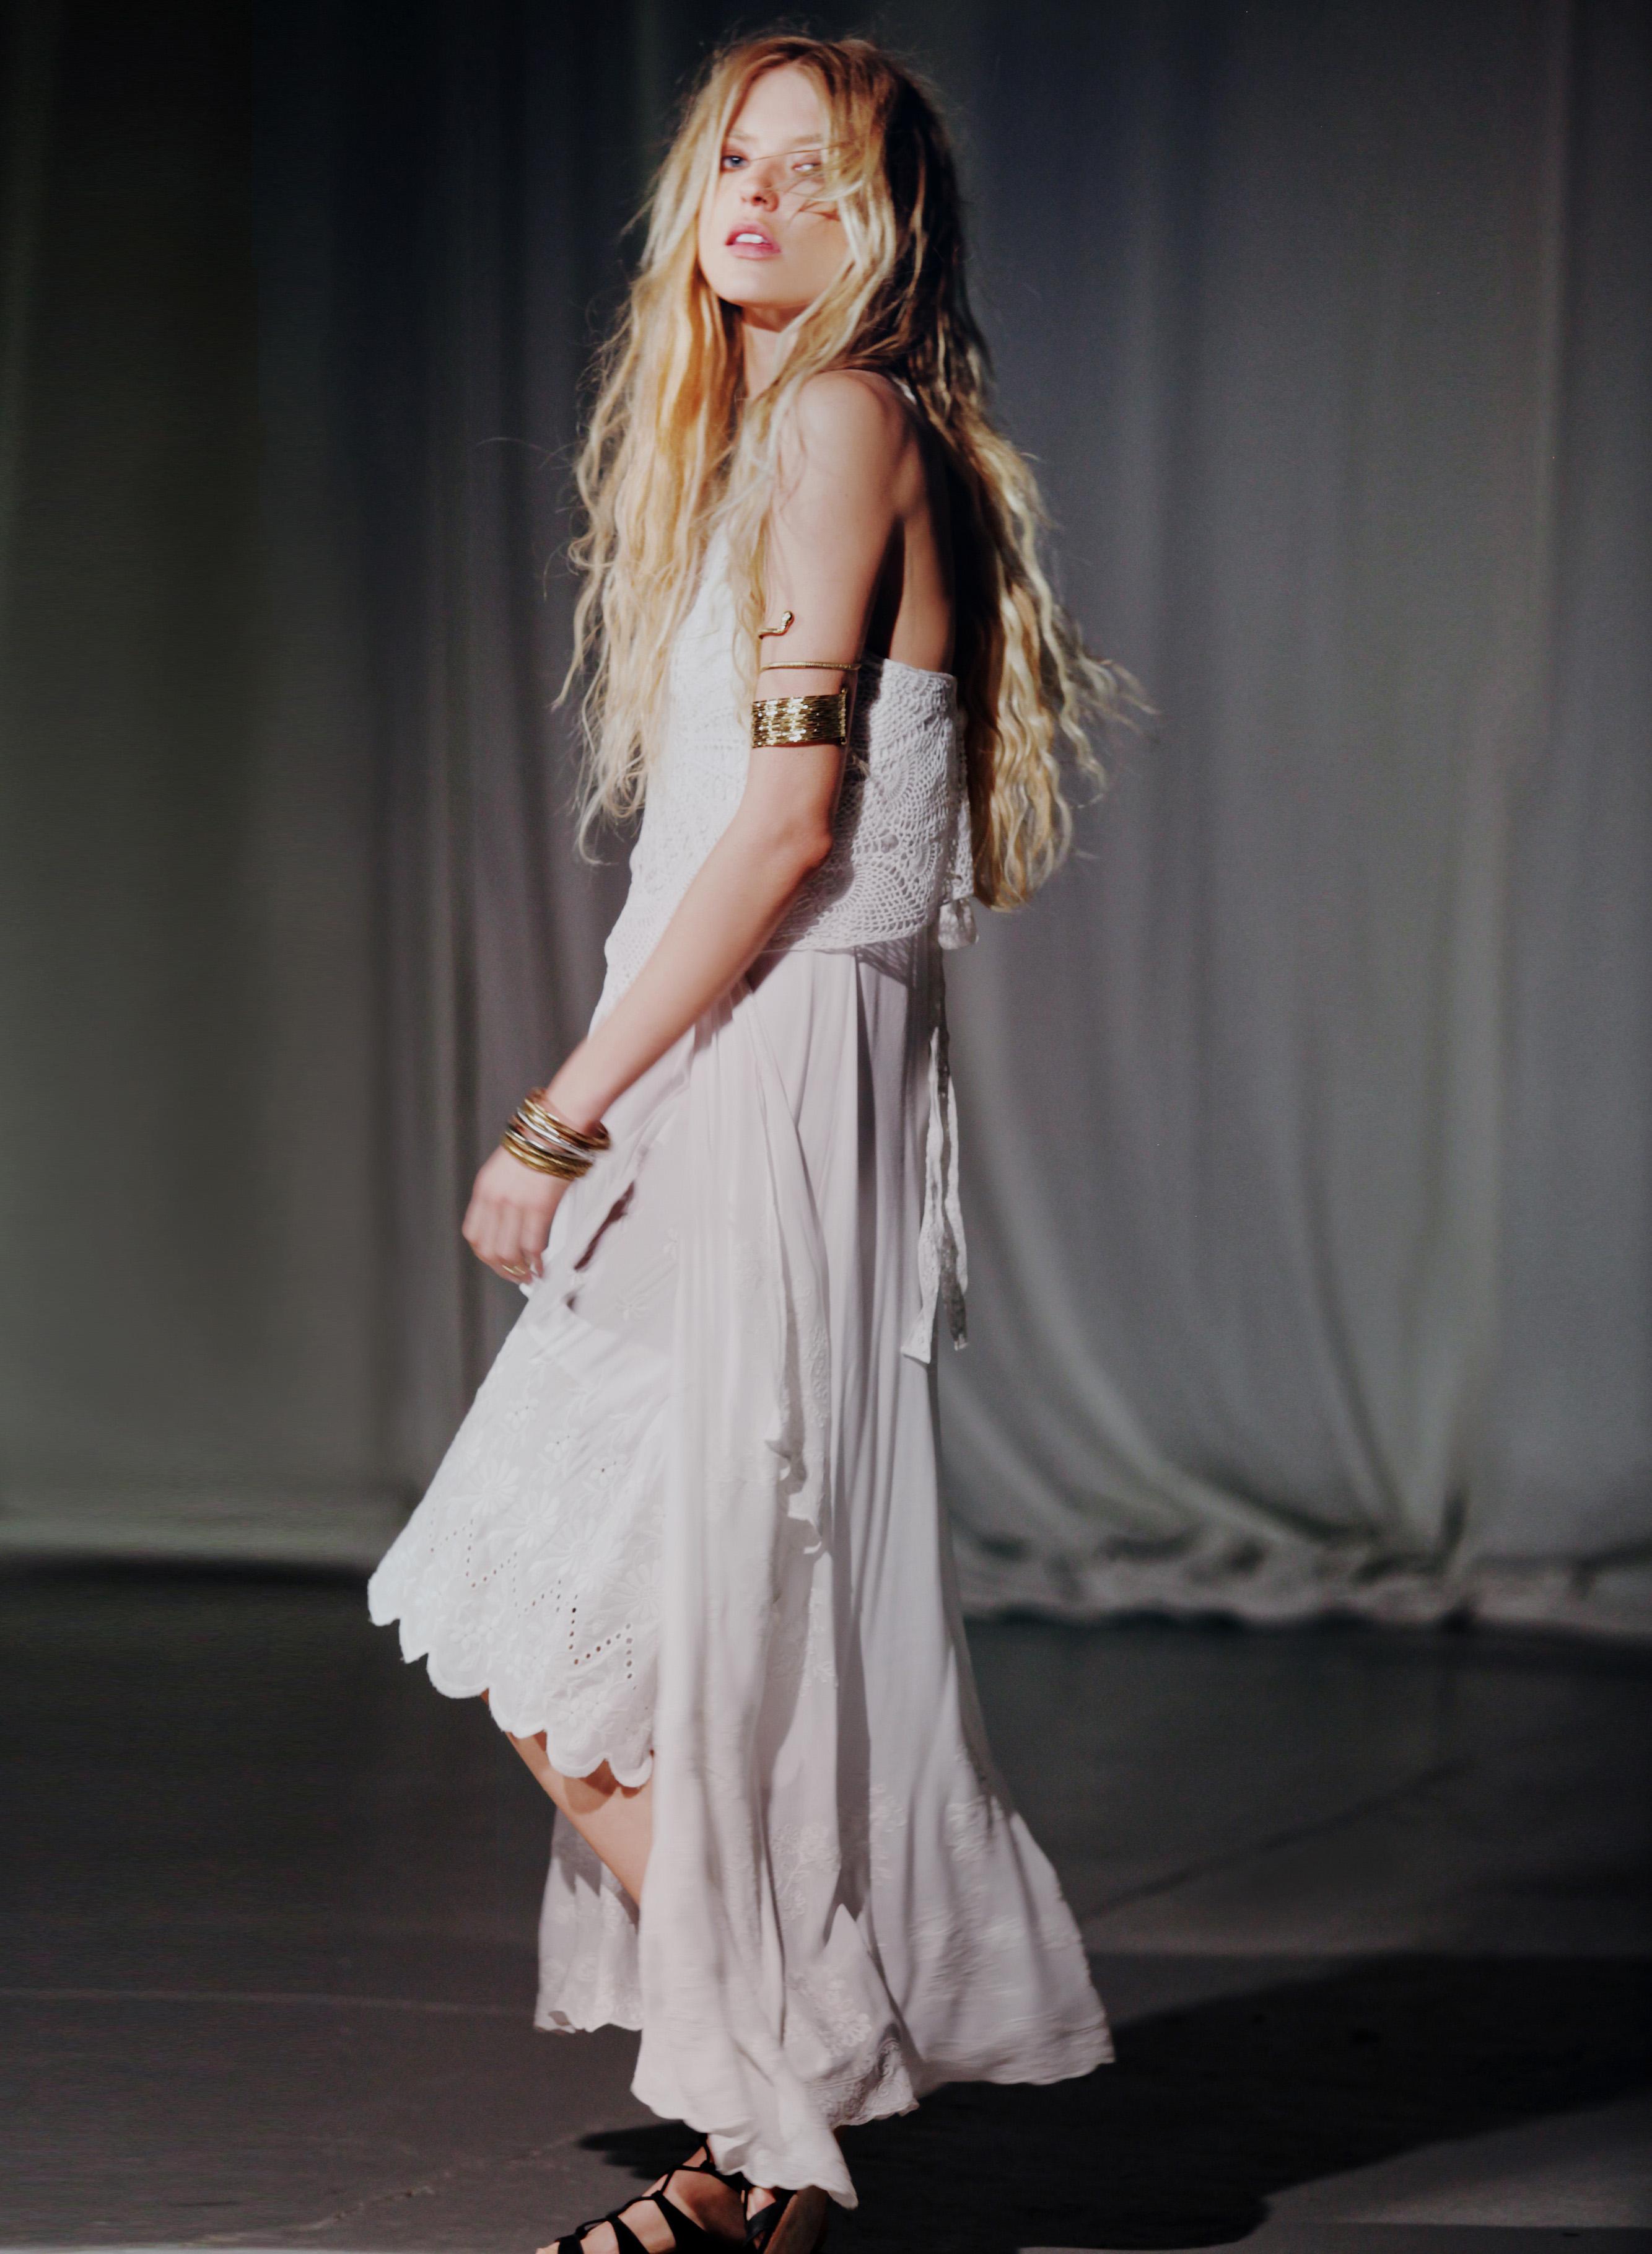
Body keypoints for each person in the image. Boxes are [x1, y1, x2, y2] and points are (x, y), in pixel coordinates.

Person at [368, 32, 1137, 2254]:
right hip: (785, 1063)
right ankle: (776, 2126)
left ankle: (786, 2090)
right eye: (734, 159)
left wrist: (560, 1116)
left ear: (885, 220)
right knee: (639, 1621)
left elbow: (796, 826)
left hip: (768, 1073)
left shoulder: (835, 421)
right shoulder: (843, 431)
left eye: (814, 172)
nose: (759, 199)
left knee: (532, 1594)